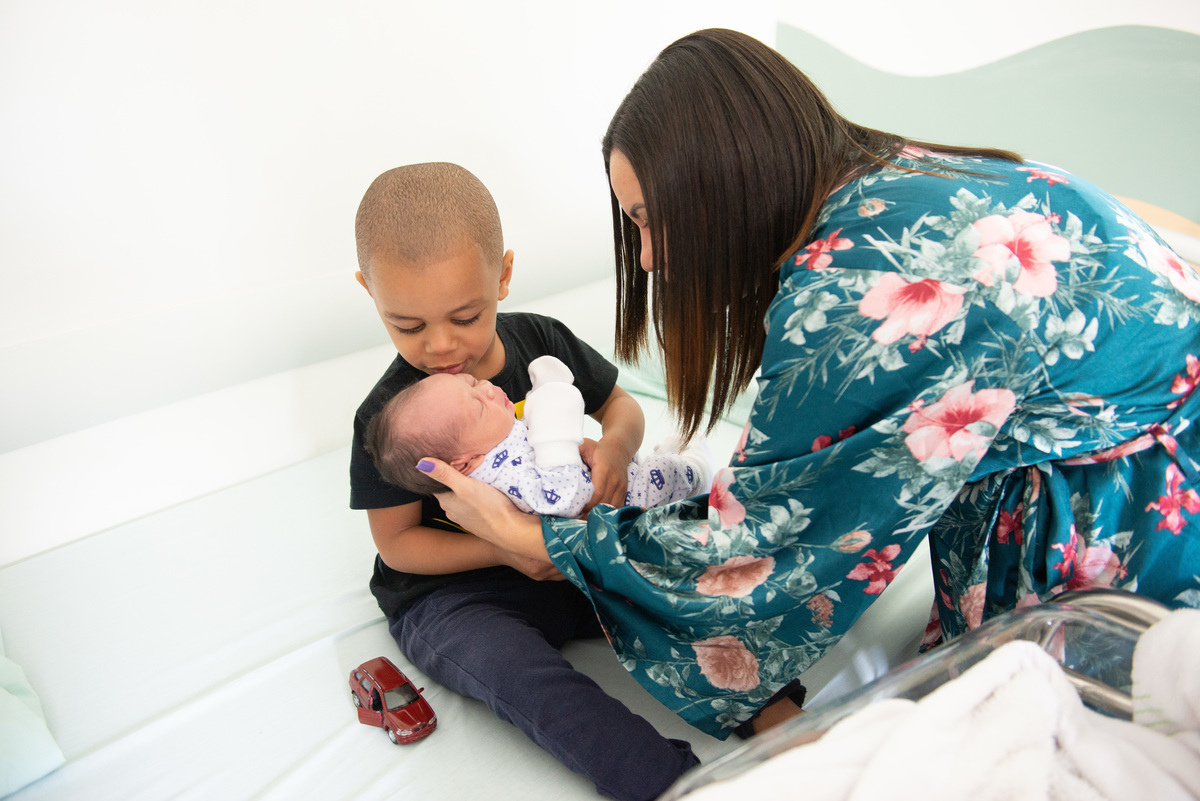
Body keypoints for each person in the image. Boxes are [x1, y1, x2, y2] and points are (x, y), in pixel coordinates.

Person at [415, 28, 1200, 742]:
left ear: (724, 179)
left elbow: (755, 542)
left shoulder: (866, 294)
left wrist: (542, 542)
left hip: (1142, 525)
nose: (647, 258)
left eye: (651, 219)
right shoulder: (902, 179)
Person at [349, 162, 701, 800]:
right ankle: (664, 781)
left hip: (570, 557)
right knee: (519, 675)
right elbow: (398, 546)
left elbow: (621, 407)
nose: (440, 347)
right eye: (409, 326)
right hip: (458, 594)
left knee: (685, 586)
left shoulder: (540, 343)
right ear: (370, 294)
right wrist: (510, 547)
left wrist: (615, 451)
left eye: (466, 315)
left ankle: (770, 709)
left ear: (503, 276)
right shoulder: (390, 418)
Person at [364, 355, 713, 517]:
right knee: (674, 471)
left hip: (612, 471)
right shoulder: (497, 477)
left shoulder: (488, 445)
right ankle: (698, 467)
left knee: (651, 461)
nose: (488, 389)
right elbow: (563, 499)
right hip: (630, 500)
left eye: (473, 383)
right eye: (479, 405)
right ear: (464, 464)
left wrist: (541, 399)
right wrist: (554, 436)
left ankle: (672, 455)